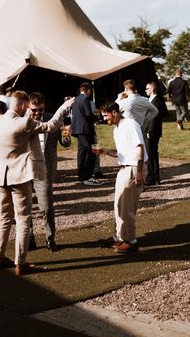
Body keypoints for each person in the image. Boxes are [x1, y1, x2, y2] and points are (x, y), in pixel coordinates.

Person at [0, 91, 74, 276]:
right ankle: (20, 263)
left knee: (5, 218)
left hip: (0, 176)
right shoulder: (24, 122)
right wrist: (65, 107)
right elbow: (51, 125)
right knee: (23, 219)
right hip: (19, 176)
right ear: (23, 105)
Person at [99, 101, 147, 254]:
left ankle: (130, 241)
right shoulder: (116, 130)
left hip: (133, 168)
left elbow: (140, 147)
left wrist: (139, 171)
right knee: (119, 205)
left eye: (106, 116)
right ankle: (120, 237)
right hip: (124, 168)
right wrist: (105, 151)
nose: (105, 119)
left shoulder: (131, 124)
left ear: (115, 112)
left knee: (126, 207)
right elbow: (121, 153)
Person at [27, 92, 71, 252]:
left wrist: (66, 133)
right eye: (34, 110)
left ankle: (50, 238)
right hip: (25, 170)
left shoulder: (54, 118)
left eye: (40, 109)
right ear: (28, 106)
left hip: (45, 170)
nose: (37, 113)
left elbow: (65, 143)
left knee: (46, 207)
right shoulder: (22, 121)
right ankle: (28, 237)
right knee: (26, 207)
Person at [71, 83, 102, 186]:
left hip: (78, 129)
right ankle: (88, 177)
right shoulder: (85, 99)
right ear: (88, 90)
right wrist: (98, 118)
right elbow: (88, 114)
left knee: (82, 153)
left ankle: (81, 176)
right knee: (90, 152)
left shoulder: (76, 99)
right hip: (85, 130)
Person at [145, 81, 168, 186]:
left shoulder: (156, 101)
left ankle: (152, 177)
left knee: (151, 155)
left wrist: (150, 131)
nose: (146, 90)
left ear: (153, 89)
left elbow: (154, 118)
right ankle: (154, 177)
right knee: (152, 154)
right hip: (152, 131)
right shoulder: (152, 100)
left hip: (152, 132)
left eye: (147, 88)